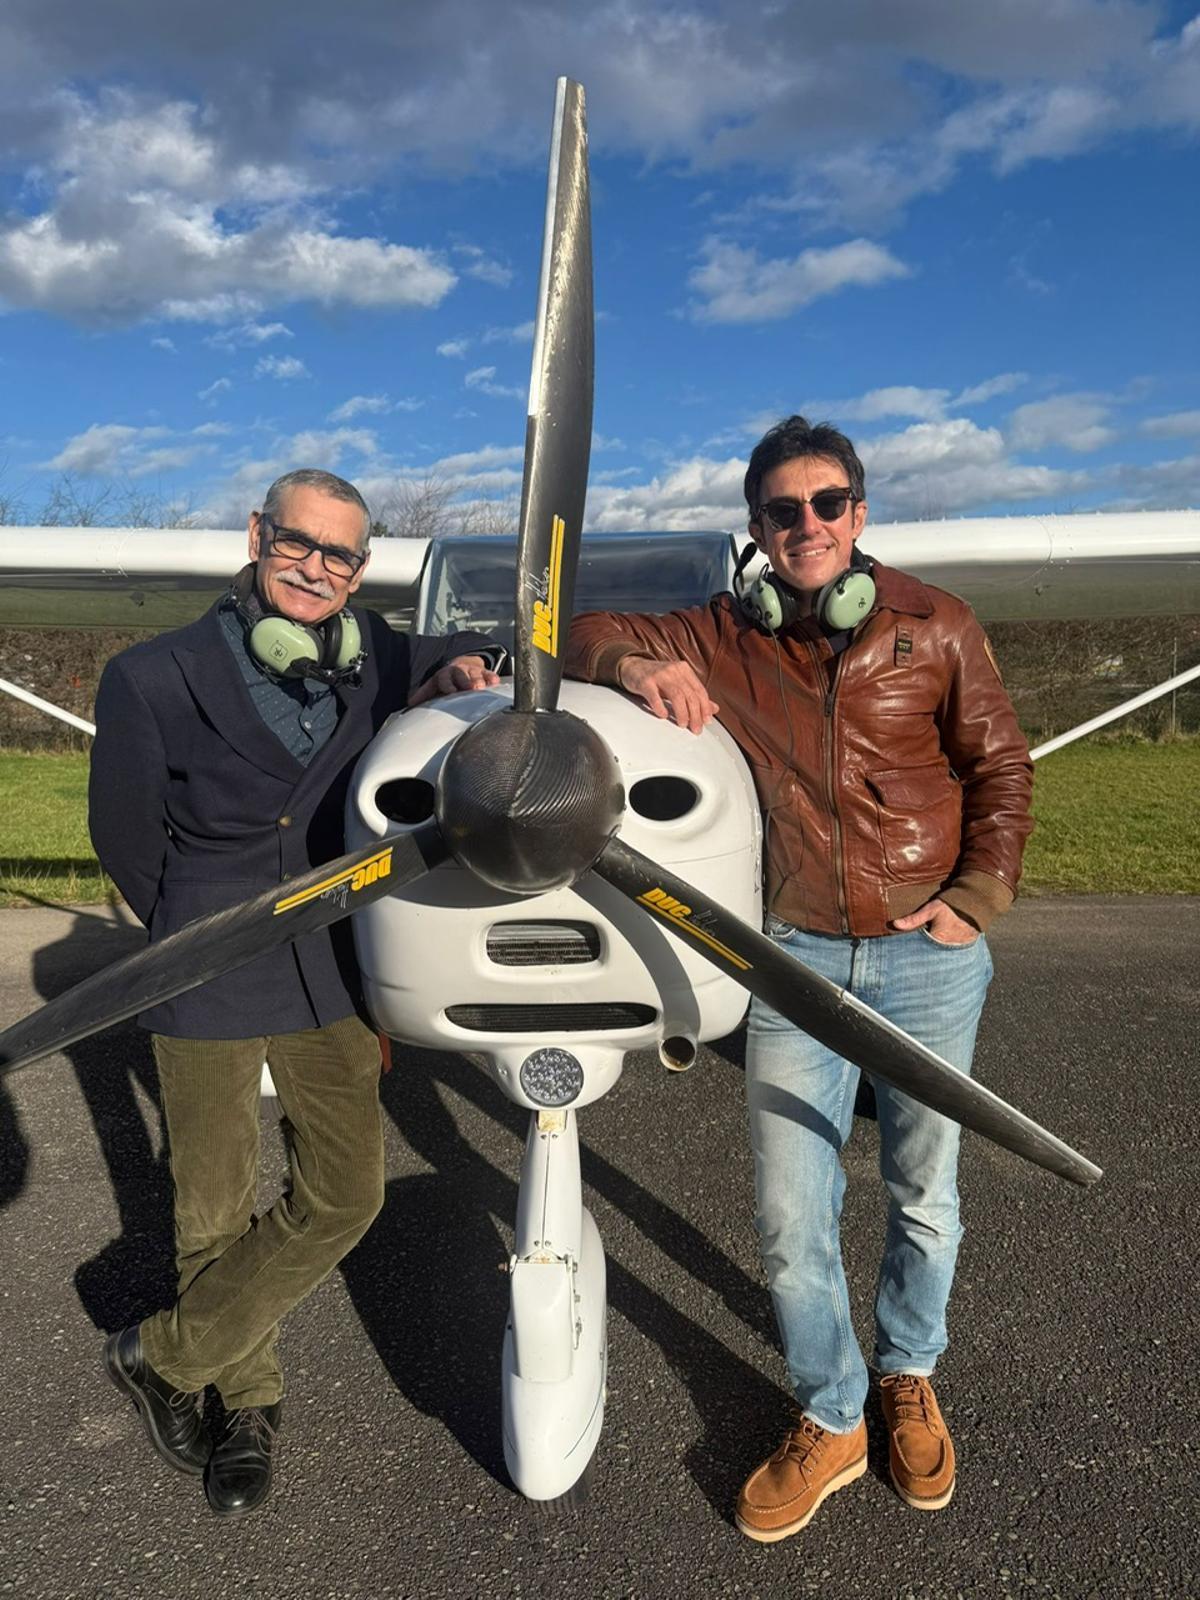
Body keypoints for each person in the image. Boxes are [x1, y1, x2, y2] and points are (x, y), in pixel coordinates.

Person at [565, 416, 1033, 1541]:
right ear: (759, 530)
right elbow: (584, 629)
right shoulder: (725, 632)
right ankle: (833, 1410)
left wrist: (975, 897)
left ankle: (908, 1374)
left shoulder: (939, 624)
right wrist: (637, 661)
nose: (807, 525)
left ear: (859, 516)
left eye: (828, 505)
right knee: (788, 1209)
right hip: (791, 957)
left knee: (925, 1191)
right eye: (783, 510)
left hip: (929, 954)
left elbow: (1001, 766)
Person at [89, 468, 503, 1518]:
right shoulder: (152, 675)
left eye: (341, 555)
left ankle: (164, 1357)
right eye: (299, 542)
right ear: (257, 533)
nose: (317, 568)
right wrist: (195, 926)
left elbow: (471, 652)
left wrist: (459, 660)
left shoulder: (373, 659)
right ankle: (249, 1408)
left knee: (347, 1192)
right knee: (213, 1208)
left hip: (330, 959)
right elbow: (126, 842)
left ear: (360, 571)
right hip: (208, 956)